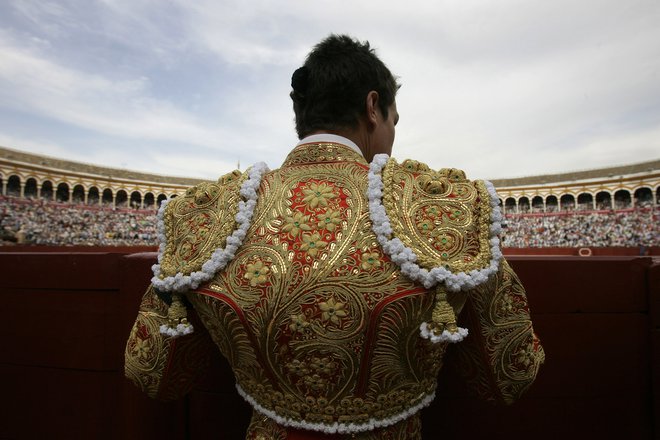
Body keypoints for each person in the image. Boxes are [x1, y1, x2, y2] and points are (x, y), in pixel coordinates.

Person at [125, 34, 544, 439]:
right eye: (394, 122)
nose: (392, 137)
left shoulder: (209, 212)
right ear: (372, 106)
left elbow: (153, 373)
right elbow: (510, 374)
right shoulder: (441, 208)